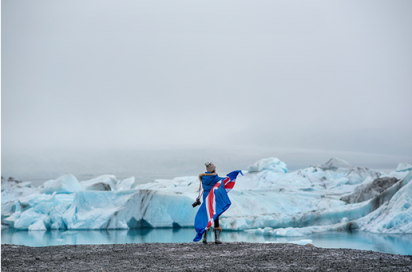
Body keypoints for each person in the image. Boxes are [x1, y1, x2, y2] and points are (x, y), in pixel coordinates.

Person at [198, 162, 223, 244]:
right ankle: (217, 238)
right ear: (212, 169)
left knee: (206, 217)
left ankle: (204, 238)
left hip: (206, 199)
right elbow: (224, 181)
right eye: (214, 168)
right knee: (215, 215)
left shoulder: (203, 178)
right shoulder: (215, 178)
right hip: (213, 199)